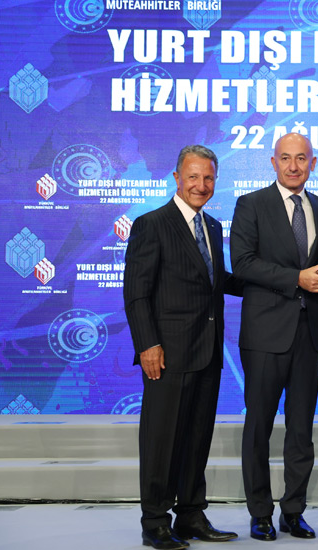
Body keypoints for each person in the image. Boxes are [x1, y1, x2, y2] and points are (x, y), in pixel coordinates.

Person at [229, 133, 318, 541]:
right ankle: (260, 513)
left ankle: (293, 511)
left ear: (313, 164)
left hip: (309, 334)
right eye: (285, 158)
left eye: (301, 159)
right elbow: (243, 264)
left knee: (301, 430)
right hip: (265, 333)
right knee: (258, 427)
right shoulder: (251, 204)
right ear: (273, 162)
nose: (293, 166)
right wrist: (296, 279)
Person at [124, 145, 243, 550]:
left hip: (206, 351)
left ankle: (191, 515)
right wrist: (147, 345)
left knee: (196, 439)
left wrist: (276, 280)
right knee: (161, 441)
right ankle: (155, 522)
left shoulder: (213, 226)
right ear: (177, 178)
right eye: (193, 177)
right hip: (167, 355)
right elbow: (137, 293)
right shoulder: (151, 224)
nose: (201, 185)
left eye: (208, 178)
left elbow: (218, 280)